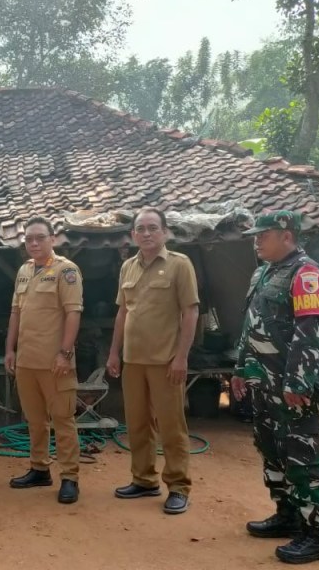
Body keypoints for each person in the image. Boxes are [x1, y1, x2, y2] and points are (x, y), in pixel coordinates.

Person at [230, 210, 319, 564]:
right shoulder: (264, 272)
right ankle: (287, 515)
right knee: (271, 449)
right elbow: (250, 327)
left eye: (264, 235)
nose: (256, 241)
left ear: (287, 235)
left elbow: (310, 333)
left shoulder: (307, 274)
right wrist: (241, 369)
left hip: (291, 386)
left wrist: (298, 382)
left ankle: (316, 536)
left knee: (301, 456)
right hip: (263, 383)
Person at [106, 207, 199, 515]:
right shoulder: (127, 267)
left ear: (165, 232)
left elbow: (191, 312)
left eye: (152, 228)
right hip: (133, 361)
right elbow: (123, 312)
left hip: (165, 361)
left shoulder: (179, 265)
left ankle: (178, 486)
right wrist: (114, 353)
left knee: (171, 426)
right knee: (137, 424)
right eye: (141, 229)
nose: (146, 233)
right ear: (133, 234)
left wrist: (181, 357)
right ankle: (144, 479)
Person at [4, 216, 83, 504]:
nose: (34, 243)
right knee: (35, 420)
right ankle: (39, 469)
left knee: (62, 419)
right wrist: (10, 349)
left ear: (53, 239)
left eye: (40, 237)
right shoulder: (24, 270)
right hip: (27, 360)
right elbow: (16, 313)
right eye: (29, 239)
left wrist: (65, 353)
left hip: (55, 362)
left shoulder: (66, 270)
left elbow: (73, 313)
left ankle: (70, 477)